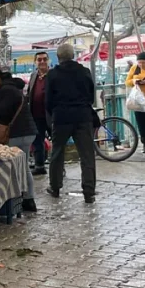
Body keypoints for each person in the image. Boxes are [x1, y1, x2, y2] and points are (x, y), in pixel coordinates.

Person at [45, 44, 97, 203]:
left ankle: (55, 187)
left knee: (58, 152)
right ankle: (89, 191)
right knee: (87, 154)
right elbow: (91, 95)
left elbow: (48, 100)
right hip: (83, 116)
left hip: (61, 117)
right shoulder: (84, 71)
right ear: (73, 55)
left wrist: (55, 112)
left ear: (58, 57)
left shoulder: (52, 74)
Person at [0, 66, 37, 212]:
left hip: (19, 132)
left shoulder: (6, 90)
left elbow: (1, 110)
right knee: (23, 166)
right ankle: (26, 198)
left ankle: (27, 199)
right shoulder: (11, 87)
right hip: (25, 130)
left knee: (21, 167)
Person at [26, 51, 51, 175]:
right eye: (39, 60)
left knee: (57, 141)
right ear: (35, 62)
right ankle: (39, 165)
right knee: (37, 141)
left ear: (48, 61)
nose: (42, 62)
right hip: (36, 114)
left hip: (51, 115)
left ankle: (59, 167)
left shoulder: (53, 75)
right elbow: (29, 92)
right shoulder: (33, 75)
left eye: (44, 59)